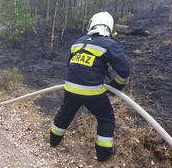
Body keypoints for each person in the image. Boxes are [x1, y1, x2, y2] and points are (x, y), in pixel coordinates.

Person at [50, 12, 130, 162]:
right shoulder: (109, 44)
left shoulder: (78, 42)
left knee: (65, 113)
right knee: (106, 119)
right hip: (92, 92)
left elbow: (70, 65)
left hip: (70, 87)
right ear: (109, 28)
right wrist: (116, 86)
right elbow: (124, 70)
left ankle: (53, 141)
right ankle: (103, 154)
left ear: (91, 24)